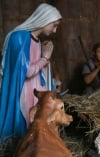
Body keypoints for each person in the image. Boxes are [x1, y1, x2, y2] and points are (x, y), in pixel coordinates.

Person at [0, 3, 62, 143]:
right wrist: (44, 58)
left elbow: (38, 67)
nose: (55, 30)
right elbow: (27, 71)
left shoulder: (37, 41)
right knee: (25, 126)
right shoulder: (19, 38)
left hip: (35, 91)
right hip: (23, 92)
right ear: (45, 20)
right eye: (54, 25)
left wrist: (45, 60)